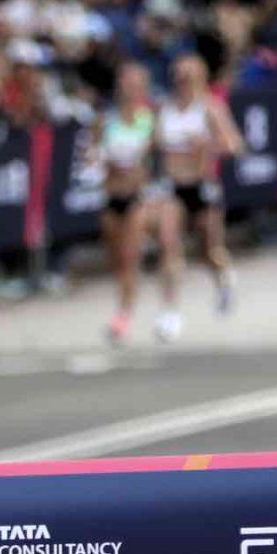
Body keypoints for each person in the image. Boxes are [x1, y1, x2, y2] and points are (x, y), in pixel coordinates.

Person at [148, 53, 244, 344]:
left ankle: (224, 277)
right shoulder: (165, 110)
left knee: (208, 250)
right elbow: (151, 145)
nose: (183, 81)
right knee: (169, 246)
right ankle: (169, 312)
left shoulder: (210, 108)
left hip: (202, 187)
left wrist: (209, 144)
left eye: (189, 76)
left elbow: (235, 145)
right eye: (179, 76)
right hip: (172, 188)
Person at [94, 63, 159, 345]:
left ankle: (123, 315)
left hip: (137, 198)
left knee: (130, 257)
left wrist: (138, 169)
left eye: (136, 84)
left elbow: (154, 160)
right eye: (126, 83)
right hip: (111, 196)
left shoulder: (150, 119)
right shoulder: (106, 120)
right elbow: (93, 156)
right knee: (116, 259)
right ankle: (123, 300)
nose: (130, 89)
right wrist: (104, 163)